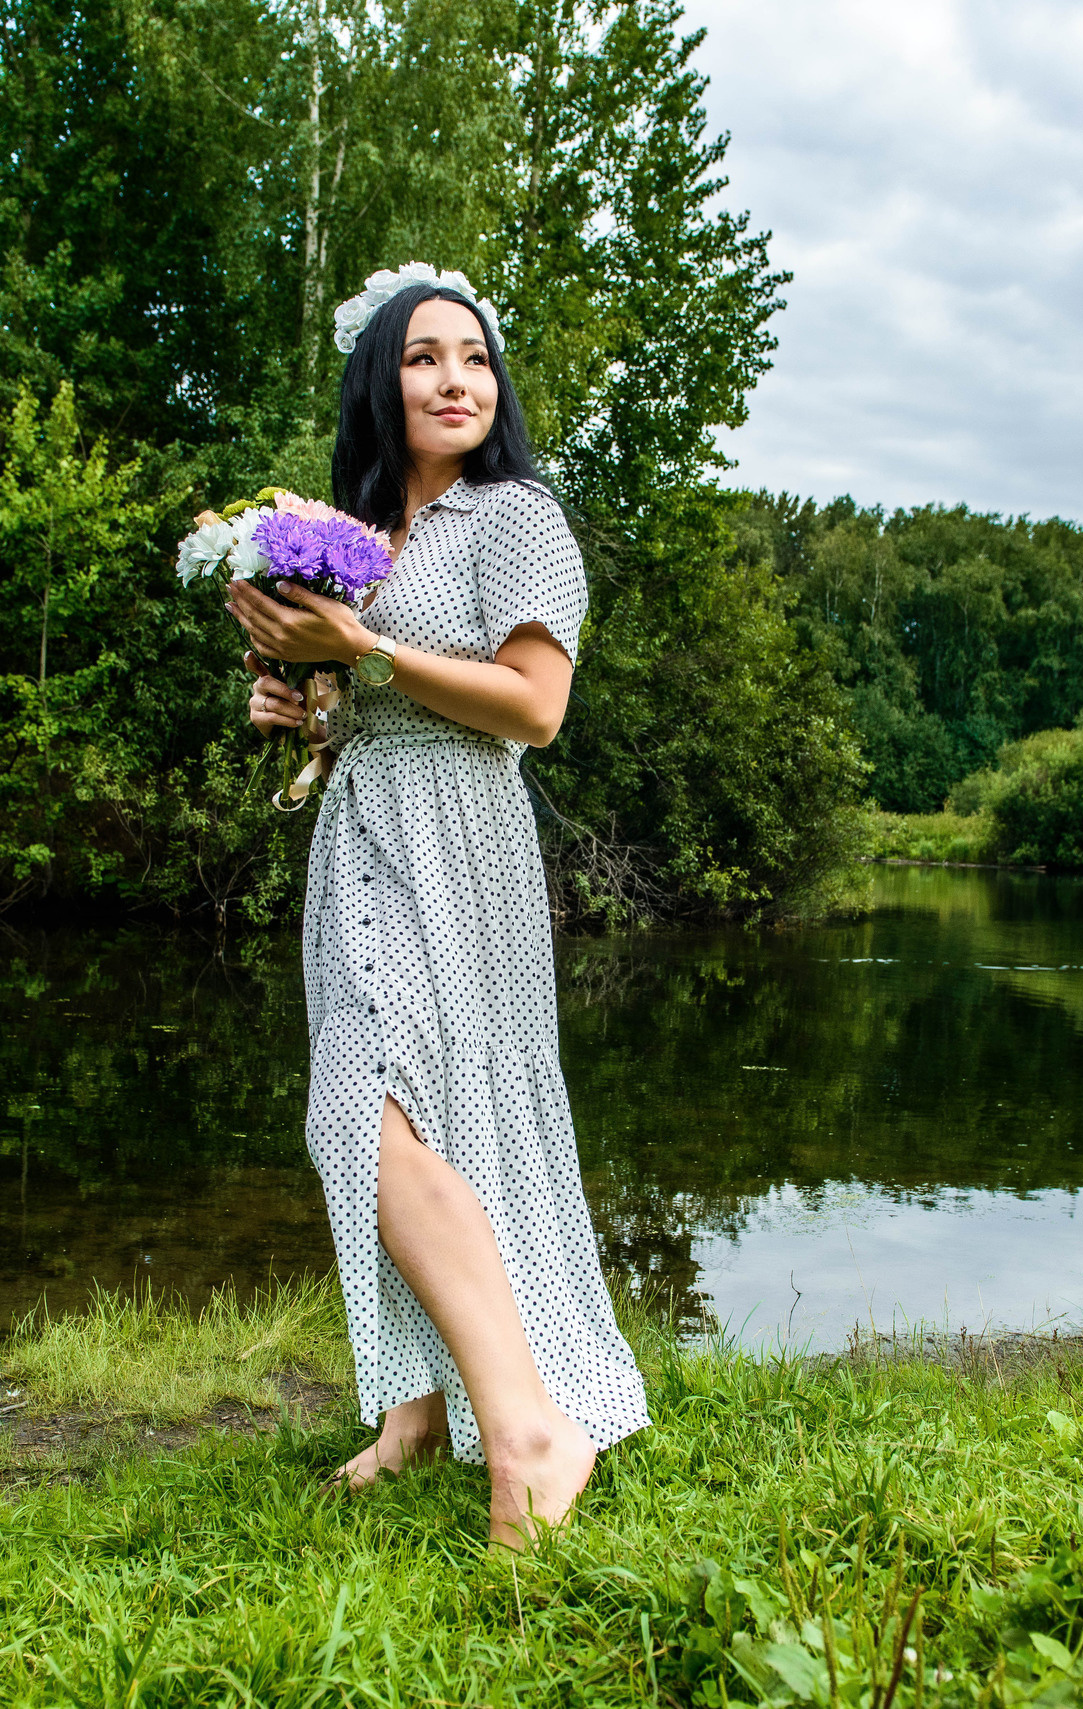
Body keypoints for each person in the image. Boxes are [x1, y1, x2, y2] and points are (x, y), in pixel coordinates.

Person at [228, 264, 649, 1548]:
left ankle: (526, 1425)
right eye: (423, 358)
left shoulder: (511, 515)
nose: (456, 378)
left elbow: (535, 705)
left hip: (462, 836)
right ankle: (416, 1407)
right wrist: (300, 701)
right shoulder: (363, 537)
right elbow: (372, 692)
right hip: (363, 827)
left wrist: (363, 655)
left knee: (381, 1112)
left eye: (473, 355)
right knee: (364, 1111)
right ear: (379, 379)